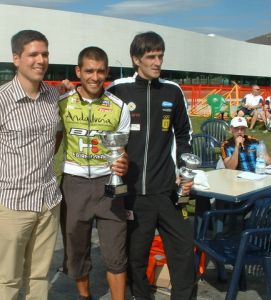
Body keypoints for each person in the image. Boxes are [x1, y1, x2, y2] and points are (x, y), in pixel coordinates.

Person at [0, 30, 61, 300]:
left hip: (47, 201)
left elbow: (57, 134)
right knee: (8, 279)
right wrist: (4, 176)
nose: (40, 60)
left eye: (44, 53)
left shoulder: (53, 96)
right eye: (33, 54)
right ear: (16, 59)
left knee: (38, 275)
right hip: (12, 204)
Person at [107, 31, 195, 300]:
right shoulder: (118, 90)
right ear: (136, 59)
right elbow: (104, 130)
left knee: (182, 252)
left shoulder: (172, 91)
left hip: (168, 190)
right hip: (134, 194)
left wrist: (184, 171)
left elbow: (184, 135)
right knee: (135, 257)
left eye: (160, 56)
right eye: (151, 57)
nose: (157, 62)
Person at [56, 46, 130, 300]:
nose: (95, 77)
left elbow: (122, 151)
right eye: (89, 71)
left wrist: (123, 163)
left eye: (100, 71)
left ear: (107, 72)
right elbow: (51, 143)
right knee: (76, 249)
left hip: (109, 186)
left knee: (116, 252)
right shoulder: (62, 103)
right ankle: (84, 297)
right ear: (79, 71)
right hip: (74, 184)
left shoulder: (119, 107)